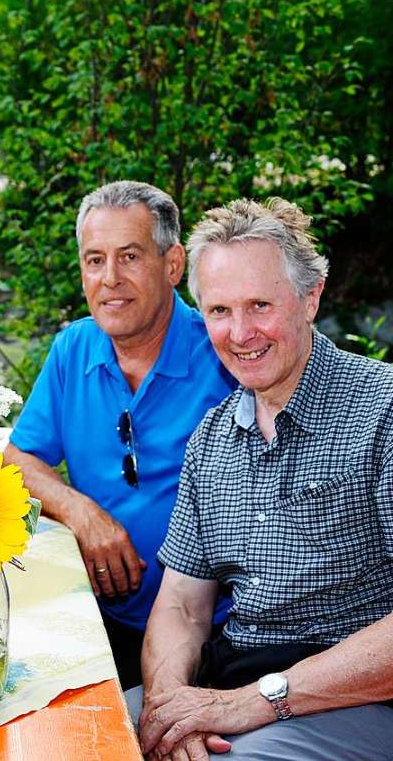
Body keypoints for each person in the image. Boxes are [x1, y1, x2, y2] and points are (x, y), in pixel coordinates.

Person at [135, 198, 393, 761]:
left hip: (352, 698)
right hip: (233, 680)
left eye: (260, 305)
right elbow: (182, 604)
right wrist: (170, 704)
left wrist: (254, 702)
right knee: (85, 733)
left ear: (310, 297)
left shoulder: (384, 408)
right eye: (220, 310)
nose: (241, 332)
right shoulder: (211, 437)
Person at [4, 181, 235, 689]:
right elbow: (18, 459)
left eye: (129, 257)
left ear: (173, 266)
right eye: (94, 260)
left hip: (217, 634)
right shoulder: (74, 347)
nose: (110, 279)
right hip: (97, 619)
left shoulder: (226, 354)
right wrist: (82, 513)